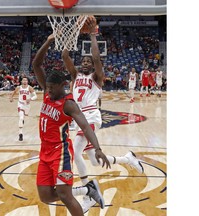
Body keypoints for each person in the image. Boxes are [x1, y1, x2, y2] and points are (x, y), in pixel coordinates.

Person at [62, 17, 144, 213]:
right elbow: (65, 55)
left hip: (90, 117)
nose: (84, 63)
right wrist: (71, 33)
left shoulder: (97, 78)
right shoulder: (76, 76)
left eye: (88, 61)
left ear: (93, 66)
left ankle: (88, 193)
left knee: (77, 154)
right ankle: (127, 158)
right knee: (93, 160)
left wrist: (92, 34)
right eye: (83, 60)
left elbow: (97, 59)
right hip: (80, 118)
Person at [32, 34, 111, 216]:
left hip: (60, 152)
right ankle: (87, 189)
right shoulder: (47, 93)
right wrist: (50, 40)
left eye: (52, 87)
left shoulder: (68, 104)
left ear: (63, 85)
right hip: (44, 151)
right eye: (48, 87)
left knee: (64, 194)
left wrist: (98, 147)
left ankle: (86, 188)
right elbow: (37, 64)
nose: (48, 90)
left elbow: (84, 126)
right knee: (45, 196)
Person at [10, 77, 37, 141]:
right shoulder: (19, 87)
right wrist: (11, 97)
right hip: (20, 104)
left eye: (26, 80)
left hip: (27, 105)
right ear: (21, 81)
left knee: (23, 117)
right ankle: (20, 134)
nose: (24, 81)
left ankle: (21, 121)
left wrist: (30, 99)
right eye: (23, 80)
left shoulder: (30, 88)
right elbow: (13, 93)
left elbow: (35, 96)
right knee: (21, 117)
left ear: (27, 81)